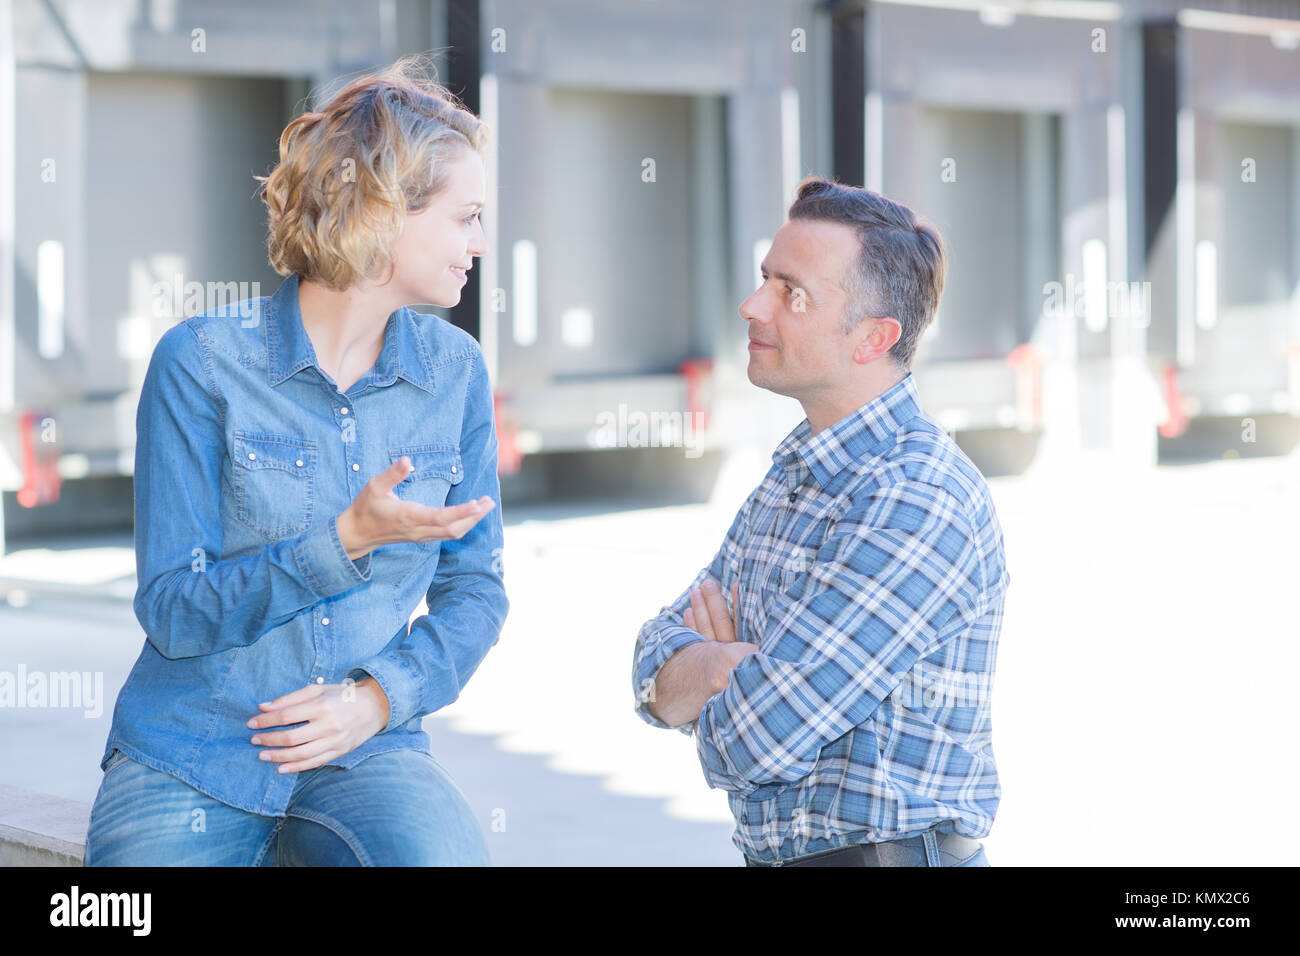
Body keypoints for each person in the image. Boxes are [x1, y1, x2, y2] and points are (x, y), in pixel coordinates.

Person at [84, 56, 508, 866]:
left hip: (365, 752)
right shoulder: (201, 362)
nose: (481, 244)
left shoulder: (456, 373)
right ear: (385, 210)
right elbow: (172, 609)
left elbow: (475, 591)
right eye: (466, 217)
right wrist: (341, 544)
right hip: (192, 750)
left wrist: (379, 699)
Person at [632, 177, 1010, 867]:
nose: (752, 306)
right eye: (764, 280)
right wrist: (721, 667)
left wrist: (705, 680)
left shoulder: (916, 497)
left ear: (873, 338)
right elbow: (650, 669)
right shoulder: (796, 475)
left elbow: (758, 741)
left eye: (791, 293)